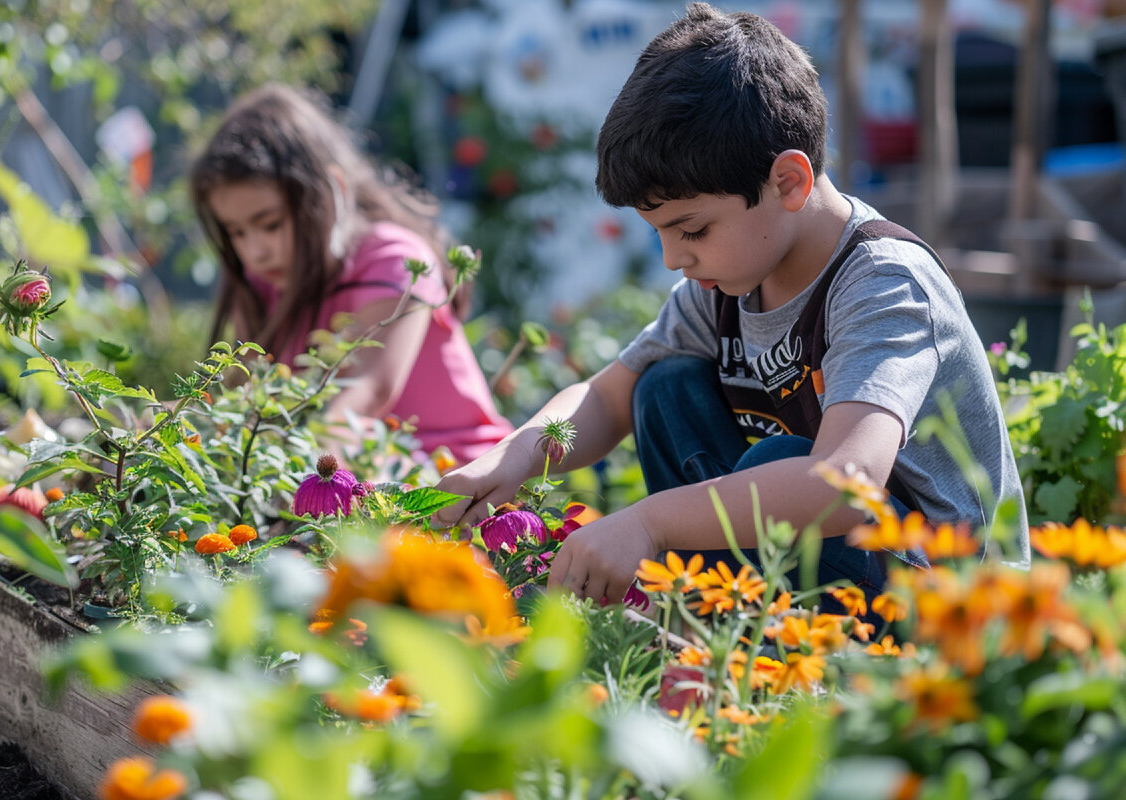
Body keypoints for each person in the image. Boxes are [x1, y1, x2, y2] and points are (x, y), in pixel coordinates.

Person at [435, 4, 1028, 610]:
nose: (672, 258)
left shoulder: (883, 283)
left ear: (789, 183)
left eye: (691, 230)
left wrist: (651, 522)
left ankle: (770, 644)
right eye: (658, 232)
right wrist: (517, 454)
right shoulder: (728, 284)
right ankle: (720, 625)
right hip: (822, 564)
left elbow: (849, 483)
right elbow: (608, 396)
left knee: (786, 463)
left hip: (947, 599)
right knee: (662, 389)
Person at [190, 84, 512, 464]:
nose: (254, 251)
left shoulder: (394, 258)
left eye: (271, 224)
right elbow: (241, 404)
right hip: (353, 479)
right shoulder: (265, 283)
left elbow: (366, 391)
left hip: (458, 482)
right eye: (236, 232)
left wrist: (305, 482)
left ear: (333, 190)